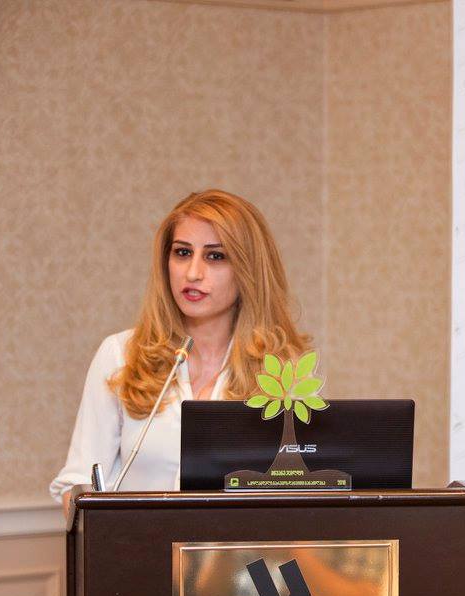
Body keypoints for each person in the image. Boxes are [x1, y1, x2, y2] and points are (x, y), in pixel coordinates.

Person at [49, 189, 309, 517]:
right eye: (183, 253)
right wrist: (93, 515)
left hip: (234, 550)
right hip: (134, 545)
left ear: (248, 269)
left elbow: (297, 492)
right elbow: (77, 482)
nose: (193, 273)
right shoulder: (120, 356)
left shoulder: (282, 371)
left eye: (215, 256)